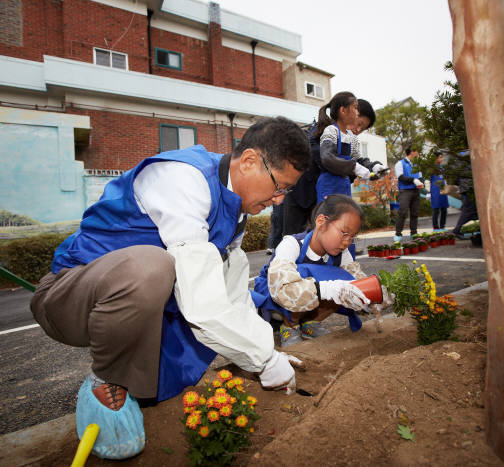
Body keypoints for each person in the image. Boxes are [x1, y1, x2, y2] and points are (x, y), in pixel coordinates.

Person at [29, 117, 311, 460]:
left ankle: (141, 388)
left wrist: (264, 351)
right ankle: (106, 381)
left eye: (286, 192)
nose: (280, 200)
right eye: (279, 187)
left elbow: (231, 295)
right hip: (68, 297)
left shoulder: (233, 210)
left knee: (195, 300)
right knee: (154, 268)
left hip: (131, 307)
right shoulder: (183, 178)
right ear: (249, 161)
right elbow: (202, 307)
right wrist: (264, 360)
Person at [253, 194, 394, 346]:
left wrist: (377, 295)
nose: (347, 242)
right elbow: (282, 290)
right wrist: (327, 289)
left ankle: (311, 324)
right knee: (306, 273)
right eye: (344, 233)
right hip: (276, 301)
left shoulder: (342, 253)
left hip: (309, 304)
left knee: (348, 284)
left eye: (352, 237)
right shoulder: (292, 244)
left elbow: (358, 281)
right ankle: (289, 326)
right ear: (321, 222)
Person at [280, 99, 380, 237]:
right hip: (302, 194)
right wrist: (348, 167)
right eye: (359, 124)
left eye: (362, 129)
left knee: (321, 240)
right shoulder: (325, 129)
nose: (358, 130)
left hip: (323, 198)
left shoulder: (349, 138)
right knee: (292, 238)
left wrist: (373, 166)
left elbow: (357, 159)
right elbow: (321, 155)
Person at [393, 146, 424, 242]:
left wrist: (421, 182)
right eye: (417, 151)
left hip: (416, 191)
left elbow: (420, 176)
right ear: (412, 152)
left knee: (415, 212)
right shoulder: (400, 163)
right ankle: (398, 234)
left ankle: (414, 233)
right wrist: (413, 180)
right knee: (403, 212)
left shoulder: (416, 164)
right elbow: (401, 177)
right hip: (405, 191)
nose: (418, 153)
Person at [427, 151, 449, 231]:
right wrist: (428, 192)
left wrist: (446, 188)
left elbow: (444, 179)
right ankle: (436, 228)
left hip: (443, 191)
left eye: (442, 157)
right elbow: (427, 180)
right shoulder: (431, 168)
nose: (441, 159)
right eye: (440, 157)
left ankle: (442, 227)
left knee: (444, 209)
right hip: (435, 191)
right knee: (436, 210)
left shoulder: (441, 168)